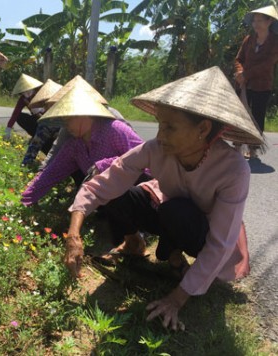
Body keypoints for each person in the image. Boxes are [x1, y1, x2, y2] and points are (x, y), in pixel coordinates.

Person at [63, 66, 265, 331]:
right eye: (160, 125)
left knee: (177, 211)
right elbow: (103, 183)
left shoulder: (233, 169)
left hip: (198, 231)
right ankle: (135, 243)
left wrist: (176, 299)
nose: (160, 136)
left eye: (170, 127)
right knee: (121, 194)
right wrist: (73, 235)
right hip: (166, 207)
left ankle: (177, 257)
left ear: (203, 128)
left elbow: (219, 244)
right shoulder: (156, 149)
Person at [21, 85, 145, 207]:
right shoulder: (74, 144)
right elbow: (53, 172)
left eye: (69, 120)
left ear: (84, 115)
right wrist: (26, 198)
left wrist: (105, 165)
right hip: (105, 196)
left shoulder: (114, 129)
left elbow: (145, 158)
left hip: (138, 192)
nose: (66, 125)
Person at [234, 5, 278, 159]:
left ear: (269, 22)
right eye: (254, 21)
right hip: (244, 84)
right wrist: (240, 71)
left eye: (260, 20)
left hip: (262, 85)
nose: (256, 24)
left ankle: (253, 150)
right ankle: (237, 146)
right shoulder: (249, 39)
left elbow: (268, 64)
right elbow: (239, 59)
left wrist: (246, 74)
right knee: (240, 115)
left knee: (257, 117)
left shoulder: (275, 42)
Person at [3, 73, 44, 141]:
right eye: (23, 91)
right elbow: (15, 113)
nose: (26, 93)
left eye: (27, 90)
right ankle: (34, 134)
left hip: (48, 119)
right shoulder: (23, 99)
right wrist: (8, 129)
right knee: (20, 117)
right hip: (36, 119)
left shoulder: (41, 92)